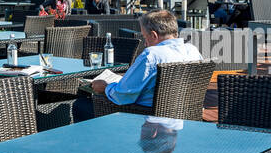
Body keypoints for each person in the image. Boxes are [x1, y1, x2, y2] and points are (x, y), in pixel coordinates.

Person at [71, 9, 202, 122]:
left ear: (153, 35)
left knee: (80, 105)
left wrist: (105, 87)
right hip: (182, 119)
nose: (145, 43)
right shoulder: (193, 51)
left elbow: (122, 96)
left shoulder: (152, 55)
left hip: (143, 119)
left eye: (145, 38)